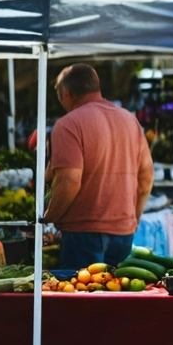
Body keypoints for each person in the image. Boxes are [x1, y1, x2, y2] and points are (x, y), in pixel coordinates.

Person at [44, 64, 153, 270]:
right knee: (117, 299)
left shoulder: (67, 124)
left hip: (83, 231)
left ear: (65, 93)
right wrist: (132, 219)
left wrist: (49, 217)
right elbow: (146, 179)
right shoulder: (130, 120)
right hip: (123, 230)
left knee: (83, 300)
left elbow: (69, 182)